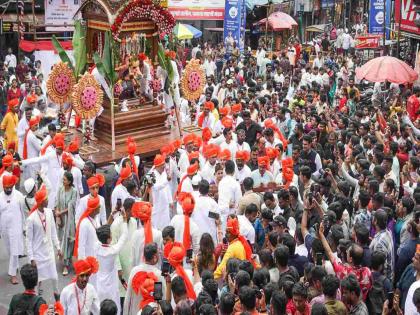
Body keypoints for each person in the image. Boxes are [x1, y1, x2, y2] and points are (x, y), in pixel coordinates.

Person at [26, 185, 62, 301]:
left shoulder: (49, 213)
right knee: (36, 283)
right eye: (46, 199)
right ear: (41, 202)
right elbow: (29, 240)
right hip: (38, 256)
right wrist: (32, 258)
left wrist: (58, 247)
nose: (48, 200)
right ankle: (36, 303)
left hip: (49, 253)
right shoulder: (31, 219)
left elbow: (53, 232)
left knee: (55, 278)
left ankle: (58, 301)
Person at [124, 243, 166, 315]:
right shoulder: (158, 275)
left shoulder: (134, 271)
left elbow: (128, 298)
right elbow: (161, 300)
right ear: (155, 257)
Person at [0, 174, 25, 284]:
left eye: (10, 187)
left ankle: (13, 275)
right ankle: (15, 265)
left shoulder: (19, 196)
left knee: (15, 250)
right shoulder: (0, 197)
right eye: (6, 187)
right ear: (3, 186)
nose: (8, 189)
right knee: (10, 250)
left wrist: (24, 227)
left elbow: (23, 213)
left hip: (16, 227)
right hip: (4, 228)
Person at [55, 171, 78, 276]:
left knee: (68, 241)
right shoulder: (60, 189)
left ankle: (66, 264)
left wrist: (60, 213)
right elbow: (56, 202)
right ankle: (64, 258)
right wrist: (57, 214)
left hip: (69, 220)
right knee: (62, 240)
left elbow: (71, 206)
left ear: (69, 182)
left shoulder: (74, 191)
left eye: (64, 179)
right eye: (63, 179)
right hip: (61, 220)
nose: (62, 181)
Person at [150, 154, 173, 229]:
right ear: (158, 166)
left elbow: (167, 187)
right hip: (157, 206)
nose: (164, 166)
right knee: (157, 227)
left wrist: (170, 200)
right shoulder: (151, 175)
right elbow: (156, 187)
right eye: (162, 165)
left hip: (165, 205)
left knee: (166, 225)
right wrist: (167, 181)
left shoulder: (163, 173)